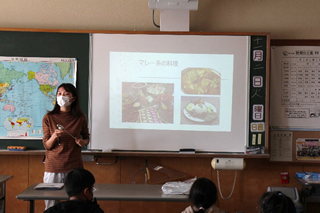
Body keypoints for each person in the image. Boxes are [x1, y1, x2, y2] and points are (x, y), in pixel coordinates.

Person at [42, 83, 90, 209]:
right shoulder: (49, 117)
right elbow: (47, 145)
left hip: (74, 167)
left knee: (77, 206)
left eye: (66, 94)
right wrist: (54, 136)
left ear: (73, 98)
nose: (61, 97)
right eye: (59, 94)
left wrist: (82, 142)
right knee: (51, 205)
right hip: (54, 167)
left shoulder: (80, 118)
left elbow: (86, 138)